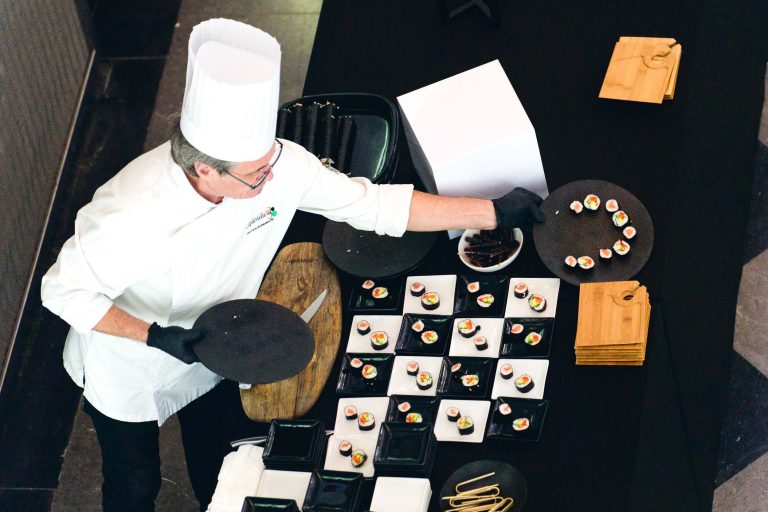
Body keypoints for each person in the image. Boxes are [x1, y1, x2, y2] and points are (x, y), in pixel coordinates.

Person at [41, 18, 543, 512]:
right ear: (203, 168)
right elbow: (61, 292)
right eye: (256, 175)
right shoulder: (128, 211)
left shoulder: (275, 164)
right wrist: (155, 336)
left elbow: (378, 206)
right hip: (131, 362)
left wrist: (493, 210)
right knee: (133, 484)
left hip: (219, 340)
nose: (272, 175)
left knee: (215, 465)